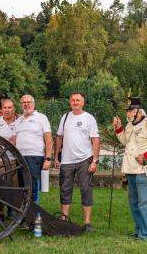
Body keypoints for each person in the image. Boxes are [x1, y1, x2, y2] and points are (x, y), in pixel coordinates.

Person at [113, 97, 147, 240]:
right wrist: (118, 127)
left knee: (145, 203)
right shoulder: (130, 125)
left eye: (131, 110)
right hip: (131, 169)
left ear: (139, 110)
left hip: (146, 169)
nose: (128, 113)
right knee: (134, 203)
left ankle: (146, 234)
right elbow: (125, 141)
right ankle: (139, 230)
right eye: (127, 111)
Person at [53, 92, 100, 232]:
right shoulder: (65, 117)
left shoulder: (89, 118)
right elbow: (59, 137)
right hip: (67, 160)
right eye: (73, 100)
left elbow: (95, 140)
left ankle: (87, 223)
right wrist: (56, 157)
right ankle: (64, 219)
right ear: (69, 102)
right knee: (65, 189)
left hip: (85, 159)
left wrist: (95, 161)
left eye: (78, 100)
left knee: (86, 190)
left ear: (83, 102)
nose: (75, 102)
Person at [13, 94, 52, 203]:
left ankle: (36, 215)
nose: (26, 104)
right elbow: (15, 139)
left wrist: (48, 159)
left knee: (33, 186)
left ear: (33, 104)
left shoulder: (41, 118)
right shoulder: (18, 120)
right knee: (23, 186)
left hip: (35, 156)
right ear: (21, 105)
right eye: (23, 102)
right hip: (20, 157)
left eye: (28, 102)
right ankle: (25, 213)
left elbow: (48, 139)